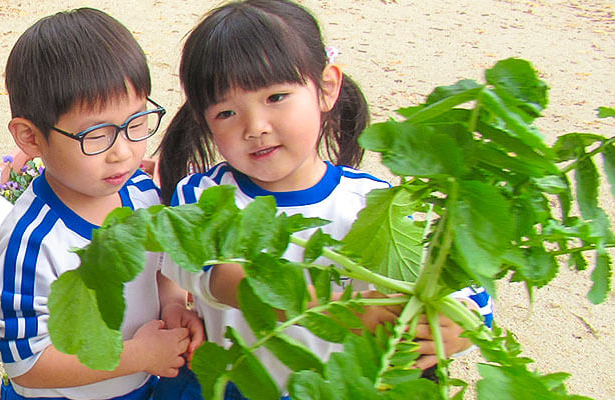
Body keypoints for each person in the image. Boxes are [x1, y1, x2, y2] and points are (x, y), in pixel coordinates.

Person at [156, 0, 493, 398]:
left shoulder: (377, 202)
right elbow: (225, 279)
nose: (255, 127)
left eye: (276, 97)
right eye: (227, 113)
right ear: (203, 122)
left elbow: (466, 296)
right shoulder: (201, 197)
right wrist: (345, 310)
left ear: (326, 88)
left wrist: (460, 327)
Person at [0, 8, 203, 400]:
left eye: (136, 123)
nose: (122, 152)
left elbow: (160, 269)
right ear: (31, 138)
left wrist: (172, 307)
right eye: (96, 135)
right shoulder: (31, 243)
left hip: (142, 383)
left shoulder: (140, 193)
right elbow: (27, 366)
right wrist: (135, 355)